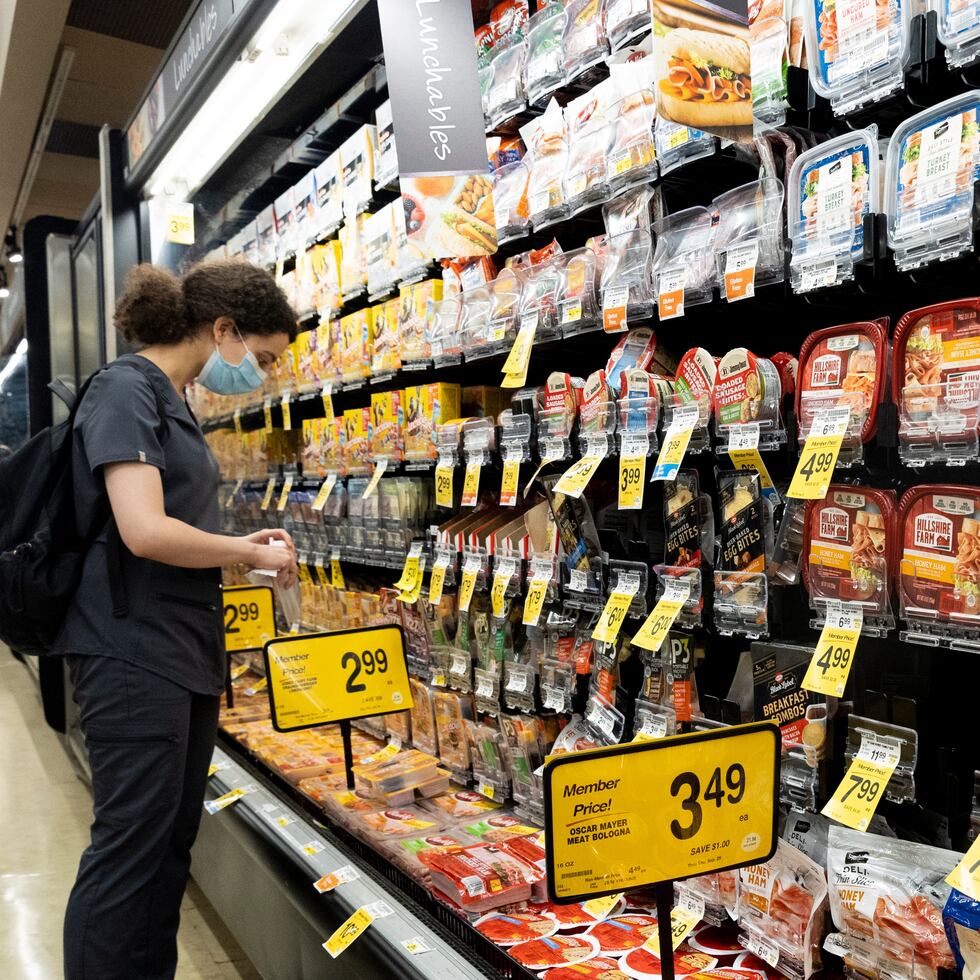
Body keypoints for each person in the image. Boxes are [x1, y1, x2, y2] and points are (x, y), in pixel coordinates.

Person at [54, 260, 299, 980]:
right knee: (128, 850)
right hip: (134, 656)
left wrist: (233, 558)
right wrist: (241, 547)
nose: (260, 375)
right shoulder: (127, 389)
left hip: (176, 652)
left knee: (166, 849)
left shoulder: (170, 398)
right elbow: (143, 530)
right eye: (259, 358)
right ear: (222, 329)